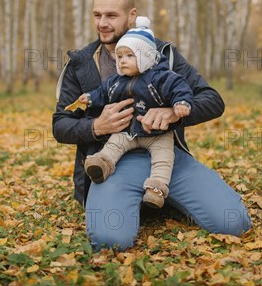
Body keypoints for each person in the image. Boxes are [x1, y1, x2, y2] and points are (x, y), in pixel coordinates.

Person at [52, 0, 251, 251]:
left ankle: (161, 193)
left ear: (132, 15)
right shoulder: (80, 63)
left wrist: (173, 114)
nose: (102, 23)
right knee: (111, 241)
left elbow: (212, 100)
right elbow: (60, 125)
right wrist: (96, 126)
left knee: (234, 223)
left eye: (111, 16)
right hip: (113, 162)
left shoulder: (164, 55)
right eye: (97, 15)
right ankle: (134, 199)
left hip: (167, 156)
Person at [70, 16, 193, 209]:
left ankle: (156, 189)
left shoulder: (161, 77)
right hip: (128, 131)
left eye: (130, 56)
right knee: (114, 144)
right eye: (120, 57)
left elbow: (179, 87)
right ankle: (102, 164)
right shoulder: (116, 81)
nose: (123, 61)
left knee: (164, 158)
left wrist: (180, 103)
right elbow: (103, 92)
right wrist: (91, 98)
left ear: (145, 57)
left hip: (157, 134)